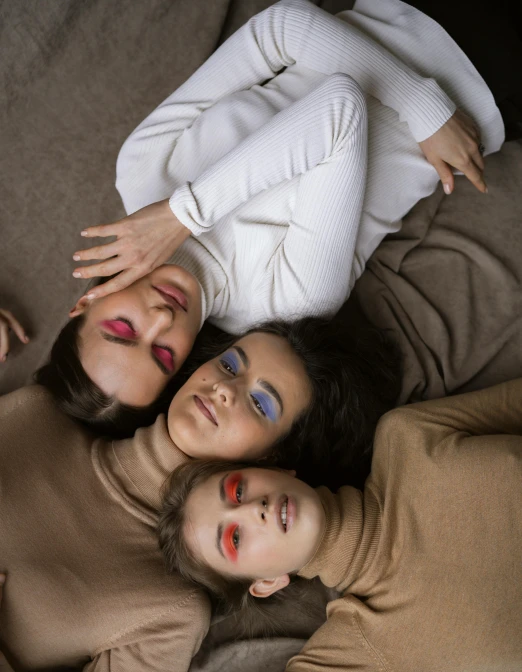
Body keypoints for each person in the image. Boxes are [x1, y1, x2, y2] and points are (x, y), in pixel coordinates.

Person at [1, 378, 520, 672]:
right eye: (234, 540)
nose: (253, 510)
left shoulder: (409, 435)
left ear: (280, 472)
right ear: (267, 582)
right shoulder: (372, 644)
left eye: (237, 488)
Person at [40, 0, 501, 426]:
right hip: (492, 77)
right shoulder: (282, 306)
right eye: (163, 355)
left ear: (88, 302)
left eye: (124, 328)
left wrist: (425, 109)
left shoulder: (139, 171)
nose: (161, 319)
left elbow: (280, 27)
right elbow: (339, 111)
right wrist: (182, 215)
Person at [0, 314, 400, 672]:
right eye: (230, 366)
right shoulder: (33, 411)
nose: (225, 390)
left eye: (260, 403)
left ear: (275, 459)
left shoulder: (169, 612)